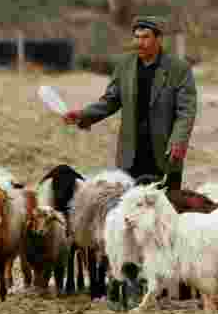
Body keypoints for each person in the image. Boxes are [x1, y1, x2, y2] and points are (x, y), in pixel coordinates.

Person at [63, 15, 197, 191]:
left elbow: (186, 111)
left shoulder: (179, 69)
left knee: (166, 207)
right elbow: (111, 100)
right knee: (130, 207)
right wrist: (83, 115)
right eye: (137, 37)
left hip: (164, 152)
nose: (139, 42)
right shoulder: (125, 65)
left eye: (145, 37)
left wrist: (179, 141)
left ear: (158, 38)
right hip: (131, 153)